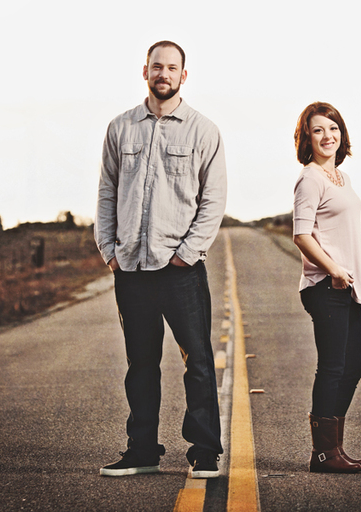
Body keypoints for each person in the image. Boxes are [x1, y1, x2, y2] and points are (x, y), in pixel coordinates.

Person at [95, 40, 227, 479]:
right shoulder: (120, 128)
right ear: (145, 71)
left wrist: (188, 254)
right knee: (141, 364)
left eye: (172, 68)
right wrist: (109, 250)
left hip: (180, 270)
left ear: (183, 76)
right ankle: (142, 450)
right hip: (131, 267)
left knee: (199, 361)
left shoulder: (203, 131)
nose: (164, 74)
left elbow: (213, 200)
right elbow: (107, 192)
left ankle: (205, 450)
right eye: (157, 66)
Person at [292, 101, 361, 473]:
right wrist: (336, 269)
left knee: (352, 368)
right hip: (325, 285)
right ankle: (323, 454)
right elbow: (302, 235)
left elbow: (343, 232)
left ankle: (332, 447)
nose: (328, 136)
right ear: (307, 138)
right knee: (333, 368)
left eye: (334, 128)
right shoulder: (310, 178)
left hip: (346, 285)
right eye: (319, 130)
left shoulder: (341, 177)